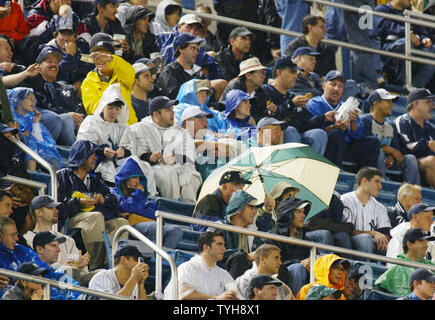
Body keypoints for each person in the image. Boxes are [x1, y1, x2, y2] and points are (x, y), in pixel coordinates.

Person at [56, 139, 129, 270]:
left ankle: (113, 264)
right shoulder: (62, 176)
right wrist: (78, 203)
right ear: (81, 155)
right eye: (92, 154)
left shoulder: (96, 180)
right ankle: (97, 266)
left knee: (122, 224)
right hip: (72, 218)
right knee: (95, 217)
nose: (95, 158)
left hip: (97, 221)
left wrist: (104, 200)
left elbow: (114, 203)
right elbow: (57, 207)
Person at [131, 96, 202, 203]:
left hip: (180, 166)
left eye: (172, 110)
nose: (173, 113)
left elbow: (190, 155)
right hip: (155, 168)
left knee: (192, 176)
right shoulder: (141, 128)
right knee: (169, 174)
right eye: (168, 110)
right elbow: (138, 155)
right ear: (156, 114)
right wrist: (150, 157)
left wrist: (175, 158)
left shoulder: (180, 131)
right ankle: (172, 211)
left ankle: (189, 212)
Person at [306, 70, 380, 170]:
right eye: (333, 84)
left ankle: (367, 177)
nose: (336, 89)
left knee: (372, 141)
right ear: (324, 85)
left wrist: (353, 123)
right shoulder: (315, 103)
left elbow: (359, 134)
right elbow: (312, 129)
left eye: (340, 86)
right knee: (336, 133)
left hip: (345, 147)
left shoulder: (346, 105)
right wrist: (333, 126)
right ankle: (335, 174)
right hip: (327, 146)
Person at [23, 195, 97, 287]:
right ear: (38, 212)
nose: (56, 211)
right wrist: (65, 268)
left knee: (101, 274)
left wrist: (81, 264)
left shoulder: (68, 241)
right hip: (45, 284)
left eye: (56, 208)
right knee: (68, 269)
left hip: (74, 283)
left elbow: (82, 273)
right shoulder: (25, 239)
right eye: (51, 208)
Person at [261, 55, 329, 155]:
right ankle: (291, 169)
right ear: (279, 72)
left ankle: (310, 169)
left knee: (319, 134)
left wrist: (324, 118)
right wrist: (291, 104)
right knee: (290, 130)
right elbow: (267, 119)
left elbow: (305, 124)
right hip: (274, 137)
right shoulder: (266, 91)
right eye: (292, 72)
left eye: (296, 73)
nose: (296, 76)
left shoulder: (293, 96)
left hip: (297, 135)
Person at [111, 156, 183, 249]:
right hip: (131, 225)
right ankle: (154, 256)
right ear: (125, 178)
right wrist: (138, 199)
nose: (137, 181)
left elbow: (154, 212)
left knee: (176, 230)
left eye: (138, 178)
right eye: (134, 178)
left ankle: (163, 259)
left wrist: (137, 209)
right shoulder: (114, 193)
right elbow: (127, 206)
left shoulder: (140, 194)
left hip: (149, 223)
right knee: (155, 227)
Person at [76, 83, 135, 186]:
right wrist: (102, 151)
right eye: (110, 108)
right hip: (97, 162)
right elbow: (83, 146)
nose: (113, 112)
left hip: (119, 163)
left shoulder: (124, 127)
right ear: (103, 107)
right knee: (107, 167)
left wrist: (124, 151)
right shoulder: (91, 122)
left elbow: (132, 148)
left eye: (117, 109)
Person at [360, 88, 420, 184]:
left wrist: (391, 156)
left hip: (387, 161)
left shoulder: (391, 124)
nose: (392, 105)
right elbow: (365, 145)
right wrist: (387, 150)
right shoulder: (364, 120)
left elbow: (396, 148)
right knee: (378, 152)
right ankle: (380, 183)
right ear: (376, 103)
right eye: (388, 102)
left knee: (410, 159)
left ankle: (411, 189)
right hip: (368, 161)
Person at [374, 0, 435, 88]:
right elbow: (384, 26)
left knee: (432, 50)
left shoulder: (410, 13)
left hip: (412, 49)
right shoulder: (382, 9)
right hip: (388, 50)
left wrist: (424, 39)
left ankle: (416, 87)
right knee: (405, 43)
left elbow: (421, 31)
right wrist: (407, 33)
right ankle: (402, 86)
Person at [30, 46, 83, 146]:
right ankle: (76, 155)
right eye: (49, 61)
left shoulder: (68, 88)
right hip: (47, 131)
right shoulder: (35, 87)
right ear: (38, 67)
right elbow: (40, 110)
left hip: (73, 131)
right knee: (66, 119)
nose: (54, 64)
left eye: (56, 62)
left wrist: (80, 120)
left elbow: (80, 107)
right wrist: (68, 114)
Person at [81, 32, 137, 125]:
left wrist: (110, 58)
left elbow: (130, 73)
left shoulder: (121, 73)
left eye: (104, 54)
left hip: (129, 127)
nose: (100, 59)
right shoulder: (89, 81)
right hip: (105, 129)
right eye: (96, 56)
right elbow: (92, 108)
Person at [163, 230, 238, 300]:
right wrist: (216, 298)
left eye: (224, 245)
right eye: (219, 245)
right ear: (206, 247)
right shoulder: (187, 268)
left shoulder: (224, 274)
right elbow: (182, 294)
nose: (224, 249)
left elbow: (236, 295)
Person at [262, 197, 312, 296]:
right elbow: (273, 264)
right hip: (278, 278)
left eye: (304, 212)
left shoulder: (305, 239)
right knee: (298, 268)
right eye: (299, 212)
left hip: (300, 279)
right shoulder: (272, 236)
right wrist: (299, 263)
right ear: (288, 214)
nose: (304, 215)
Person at [7, 87, 63, 171]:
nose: (34, 101)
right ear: (19, 100)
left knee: (53, 160)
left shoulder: (32, 119)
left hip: (38, 154)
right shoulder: (11, 119)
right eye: (29, 98)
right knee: (31, 143)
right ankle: (32, 175)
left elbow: (41, 141)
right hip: (18, 153)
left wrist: (36, 123)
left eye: (34, 98)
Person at [340, 167, 392, 255]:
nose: (380, 186)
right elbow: (348, 230)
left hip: (371, 244)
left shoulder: (380, 207)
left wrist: (382, 238)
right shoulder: (346, 200)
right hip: (348, 241)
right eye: (377, 181)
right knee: (365, 239)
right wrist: (373, 233)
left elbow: (385, 233)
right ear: (364, 181)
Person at [374, 228, 435, 296]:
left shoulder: (431, 265)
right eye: (422, 242)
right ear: (409, 244)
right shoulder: (398, 269)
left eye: (426, 242)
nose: (426, 245)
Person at [394, 88, 435, 188]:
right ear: (415, 104)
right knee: (431, 161)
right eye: (428, 102)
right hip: (405, 162)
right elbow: (407, 147)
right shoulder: (402, 121)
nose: (432, 106)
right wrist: (427, 144)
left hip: (426, 165)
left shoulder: (431, 127)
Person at [218, 190, 263, 279]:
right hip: (223, 277)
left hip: (250, 277)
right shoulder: (218, 228)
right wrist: (246, 256)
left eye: (255, 208)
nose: (255, 212)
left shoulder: (254, 233)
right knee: (239, 258)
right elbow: (213, 254)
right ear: (239, 209)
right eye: (251, 207)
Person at [43, 13, 93, 91]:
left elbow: (90, 64)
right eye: (62, 34)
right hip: (55, 90)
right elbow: (55, 75)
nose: (66, 38)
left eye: (69, 34)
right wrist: (69, 56)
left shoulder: (81, 46)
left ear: (75, 36)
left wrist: (80, 80)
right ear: (56, 35)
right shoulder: (48, 50)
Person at [32, 231, 81, 300]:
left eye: (58, 245)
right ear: (39, 249)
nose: (59, 250)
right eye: (53, 246)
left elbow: (76, 289)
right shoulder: (32, 271)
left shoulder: (54, 271)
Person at [155, 33, 206, 100]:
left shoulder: (199, 74)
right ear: (181, 49)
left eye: (197, 49)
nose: (196, 53)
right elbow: (172, 97)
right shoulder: (169, 72)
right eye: (193, 48)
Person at [218, 57, 269, 122]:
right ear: (248, 75)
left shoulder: (261, 92)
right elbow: (225, 109)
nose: (263, 77)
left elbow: (262, 116)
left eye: (264, 73)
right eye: (260, 73)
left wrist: (271, 112)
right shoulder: (235, 87)